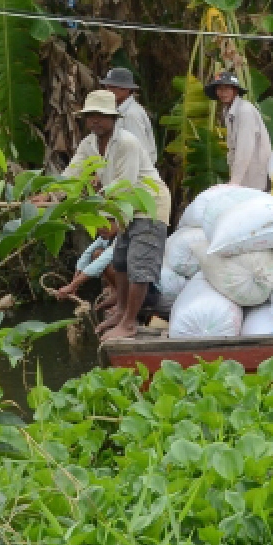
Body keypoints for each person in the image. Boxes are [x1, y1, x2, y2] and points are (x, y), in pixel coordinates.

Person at [55, 90, 173, 342]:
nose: (95, 120)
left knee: (140, 265)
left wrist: (109, 219)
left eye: (101, 115)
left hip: (148, 206)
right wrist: (50, 194)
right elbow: (72, 173)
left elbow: (125, 185)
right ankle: (120, 312)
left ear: (112, 118)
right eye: (91, 116)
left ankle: (130, 323)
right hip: (123, 207)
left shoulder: (127, 143)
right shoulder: (89, 144)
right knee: (120, 261)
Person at [206, 71, 271, 191]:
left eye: (227, 88)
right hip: (243, 174)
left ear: (235, 91)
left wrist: (234, 181)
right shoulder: (228, 111)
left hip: (254, 171)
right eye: (219, 89)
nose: (223, 93)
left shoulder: (244, 111)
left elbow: (244, 149)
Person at [103, 68, 157, 166]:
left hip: (134, 172)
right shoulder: (120, 110)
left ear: (127, 89)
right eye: (108, 87)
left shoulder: (131, 114)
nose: (109, 90)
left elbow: (138, 150)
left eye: (114, 87)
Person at [51, 226, 117, 303]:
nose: (101, 229)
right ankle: (114, 289)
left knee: (102, 258)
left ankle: (118, 293)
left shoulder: (122, 237)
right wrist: (74, 285)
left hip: (129, 275)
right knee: (97, 253)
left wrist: (72, 286)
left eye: (105, 226)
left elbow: (102, 261)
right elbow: (87, 254)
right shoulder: (104, 238)